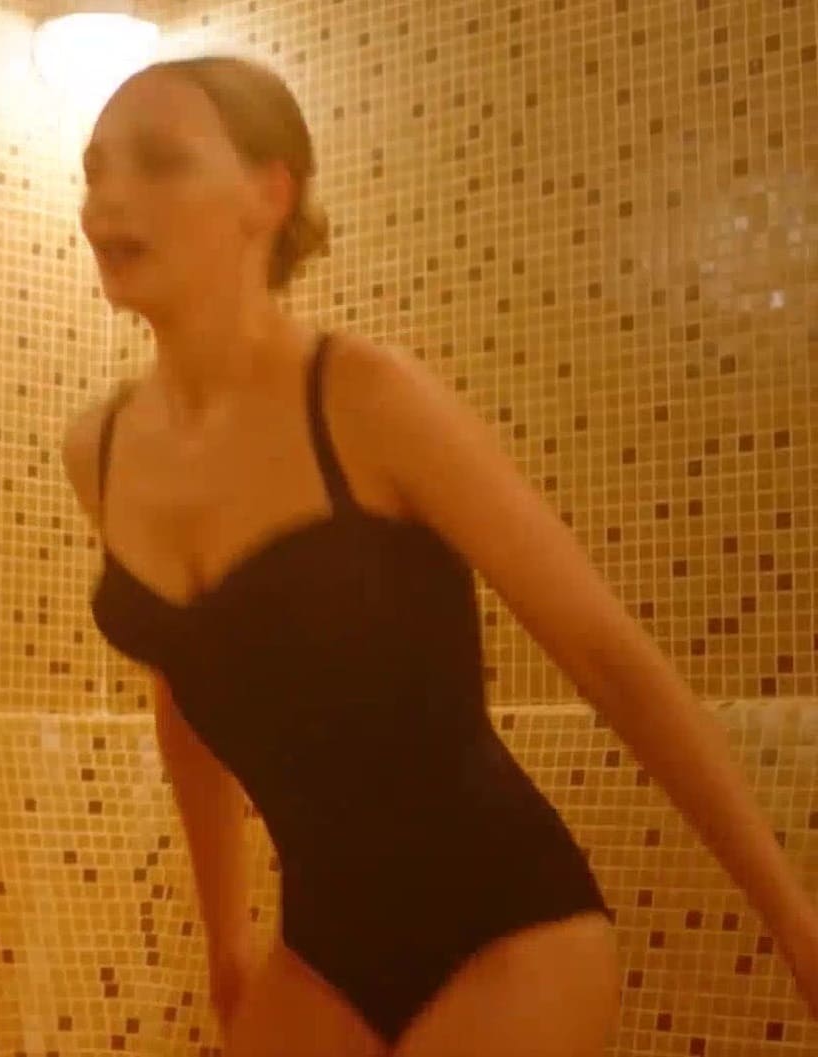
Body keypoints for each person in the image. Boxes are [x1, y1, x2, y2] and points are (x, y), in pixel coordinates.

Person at [60, 55, 818, 1057]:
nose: (109, 197)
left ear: (268, 194)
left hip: (510, 930)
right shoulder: (100, 451)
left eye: (159, 160)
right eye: (94, 168)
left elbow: (608, 657)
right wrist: (225, 934)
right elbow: (186, 698)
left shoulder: (365, 399)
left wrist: (794, 918)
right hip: (320, 953)